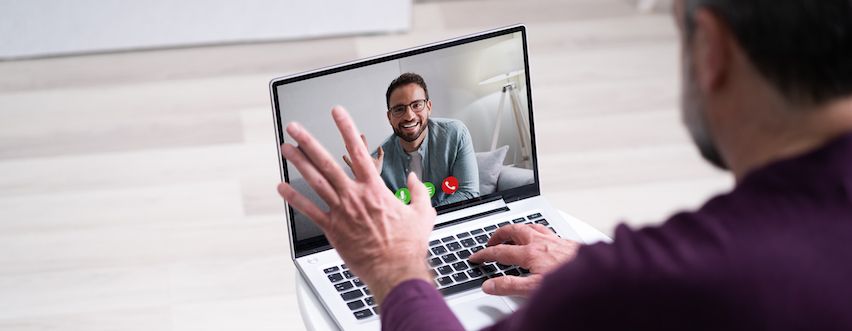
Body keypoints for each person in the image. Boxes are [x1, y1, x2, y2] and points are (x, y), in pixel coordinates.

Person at [277, 0, 852, 329]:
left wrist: (396, 266)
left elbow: (456, 187)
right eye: (398, 109)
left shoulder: (652, 282)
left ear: (711, 49)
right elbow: (412, 197)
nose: (408, 117)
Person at [343, 72, 480, 207]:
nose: (409, 116)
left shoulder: (456, 133)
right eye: (399, 109)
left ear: (429, 107)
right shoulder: (376, 163)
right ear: (389, 117)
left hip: (452, 221)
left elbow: (469, 193)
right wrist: (371, 182)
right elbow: (379, 218)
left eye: (416, 105)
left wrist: (425, 218)